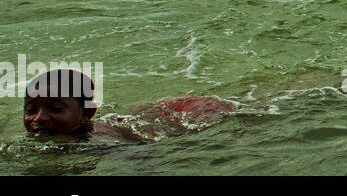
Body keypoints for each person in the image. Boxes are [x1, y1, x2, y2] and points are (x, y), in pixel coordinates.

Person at [23, 68, 236, 142]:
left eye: (56, 109)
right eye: (31, 110)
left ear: (87, 113)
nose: (39, 118)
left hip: (185, 117)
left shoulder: (103, 139)